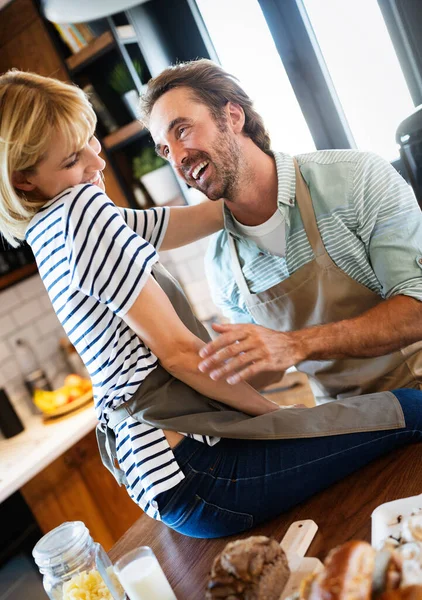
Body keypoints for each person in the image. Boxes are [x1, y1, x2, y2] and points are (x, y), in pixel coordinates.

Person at [1, 70, 421, 541]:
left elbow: (176, 223)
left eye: (91, 140)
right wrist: (282, 420)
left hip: (168, 481)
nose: (97, 161)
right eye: (73, 157)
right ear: (25, 181)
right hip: (194, 465)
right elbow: (180, 354)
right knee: (413, 413)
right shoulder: (88, 216)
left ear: (233, 115)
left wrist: (254, 188)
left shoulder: (53, 229)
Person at [140, 59, 422, 401]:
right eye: (165, 149)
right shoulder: (222, 263)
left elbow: (417, 308)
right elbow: (266, 363)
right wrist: (190, 376)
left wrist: (296, 344)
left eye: (182, 130)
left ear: (232, 117)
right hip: (348, 422)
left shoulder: (355, 179)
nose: (177, 157)